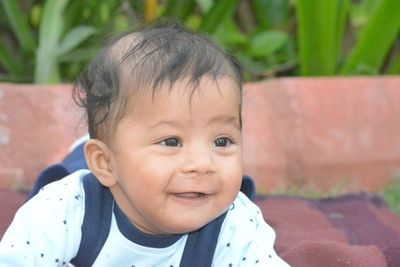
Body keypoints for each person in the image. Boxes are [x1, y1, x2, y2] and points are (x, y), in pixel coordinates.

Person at [0, 22, 289, 267]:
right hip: (94, 172)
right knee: (81, 160)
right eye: (172, 141)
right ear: (106, 163)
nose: (203, 163)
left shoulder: (236, 224)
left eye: (222, 141)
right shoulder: (64, 211)